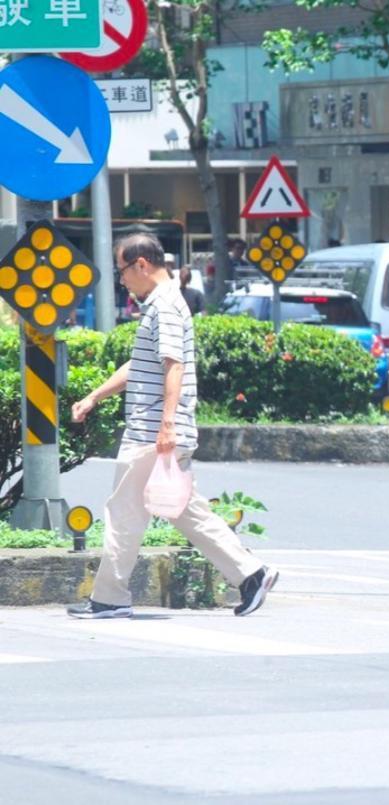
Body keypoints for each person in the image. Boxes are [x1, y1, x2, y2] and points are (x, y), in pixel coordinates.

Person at [66, 233, 278, 619]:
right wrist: (95, 396)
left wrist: (166, 426)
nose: (122, 280)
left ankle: (109, 599)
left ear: (141, 265)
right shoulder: (163, 304)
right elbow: (141, 365)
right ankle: (251, 573)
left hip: (153, 432)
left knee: (123, 512)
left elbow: (173, 366)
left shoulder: (163, 306)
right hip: (159, 429)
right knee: (181, 508)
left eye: (123, 271)